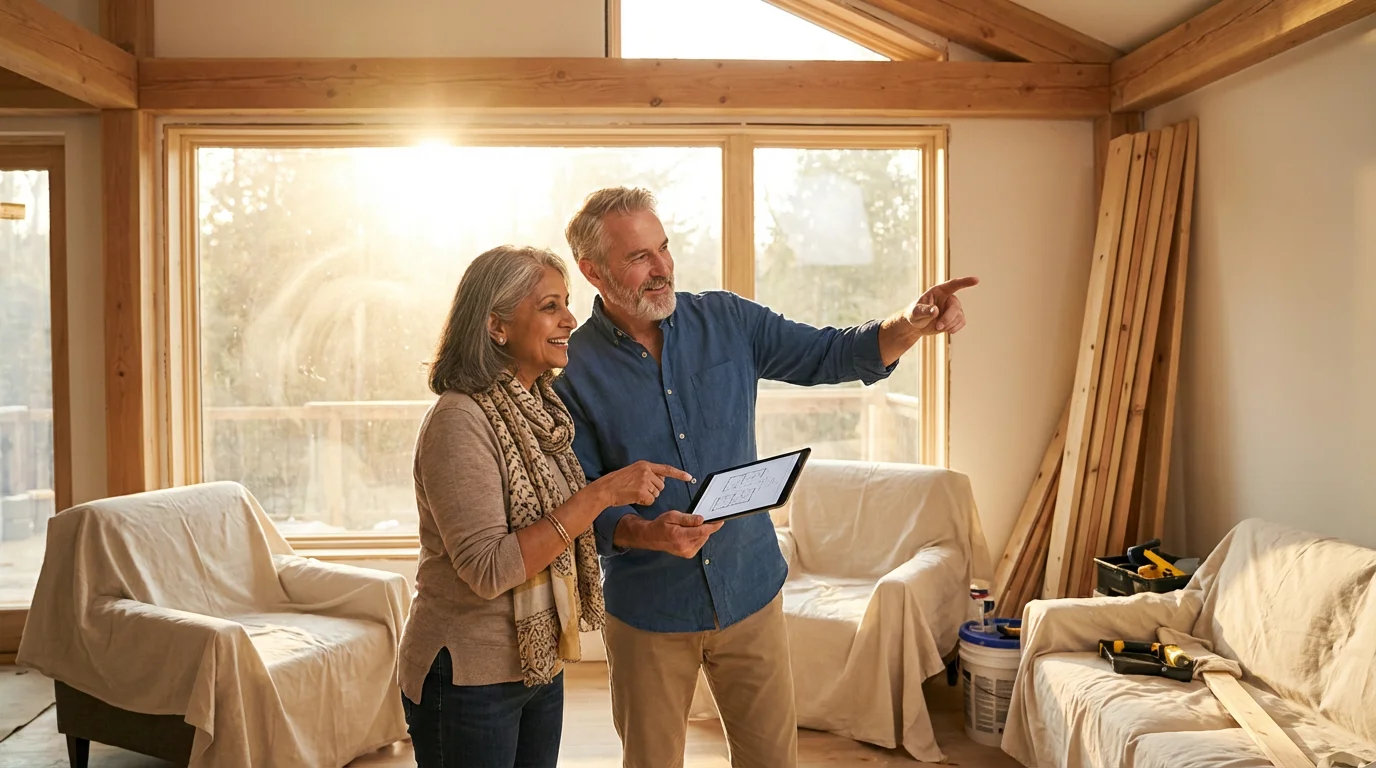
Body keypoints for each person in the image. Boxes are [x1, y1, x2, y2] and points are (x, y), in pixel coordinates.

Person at [552, 188, 978, 768]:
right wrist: (645, 532)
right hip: (650, 610)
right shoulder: (569, 369)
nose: (662, 268)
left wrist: (911, 322)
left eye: (664, 248)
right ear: (592, 271)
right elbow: (578, 501)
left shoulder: (727, 319)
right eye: (639, 258)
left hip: (749, 587)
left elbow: (831, 353)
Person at [397, 245, 692, 768]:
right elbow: (489, 570)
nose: (570, 320)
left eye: (567, 303)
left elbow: (561, 528)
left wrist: (643, 527)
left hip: (537, 661)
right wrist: (602, 493)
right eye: (549, 306)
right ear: (496, 327)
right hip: (469, 674)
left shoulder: (544, 412)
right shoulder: (459, 421)